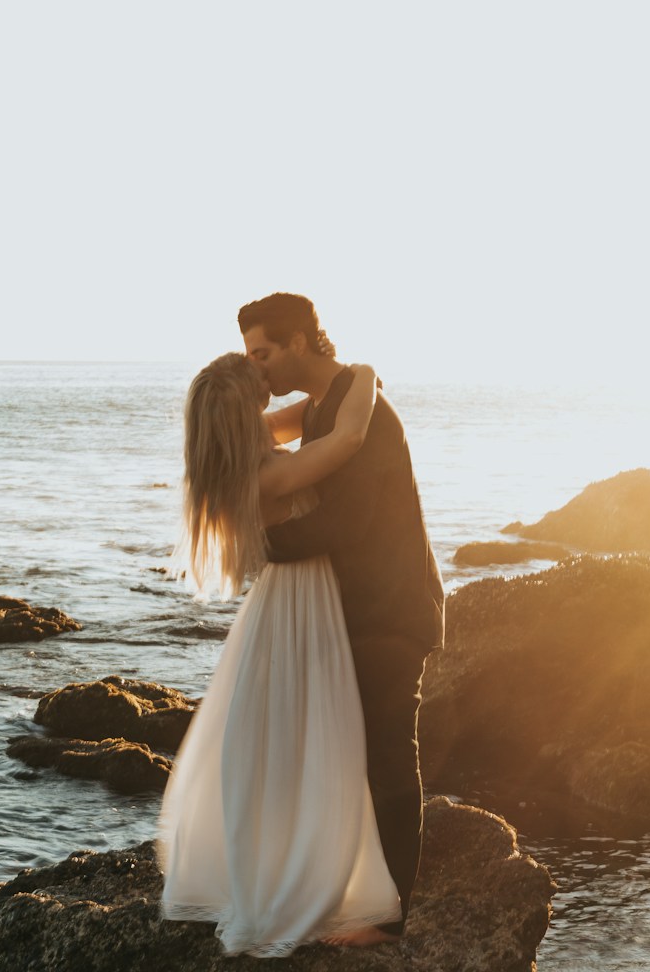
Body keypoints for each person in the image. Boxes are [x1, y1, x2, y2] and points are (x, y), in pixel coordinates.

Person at [157, 350, 402, 957]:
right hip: (300, 605)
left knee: (280, 738)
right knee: (311, 738)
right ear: (244, 409)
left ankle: (290, 858)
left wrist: (319, 390)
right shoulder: (267, 475)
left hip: (286, 604)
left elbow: (302, 415)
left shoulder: (237, 456)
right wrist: (365, 374)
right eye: (257, 382)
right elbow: (346, 437)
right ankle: (296, 878)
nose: (268, 383)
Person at [237, 292, 445, 947]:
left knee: (387, 758)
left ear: (299, 341)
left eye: (262, 354)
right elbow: (255, 433)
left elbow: (344, 523)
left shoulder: (368, 415)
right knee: (342, 758)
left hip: (390, 611)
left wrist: (256, 546)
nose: (259, 370)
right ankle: (345, 895)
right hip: (352, 609)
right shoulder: (329, 404)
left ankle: (388, 922)